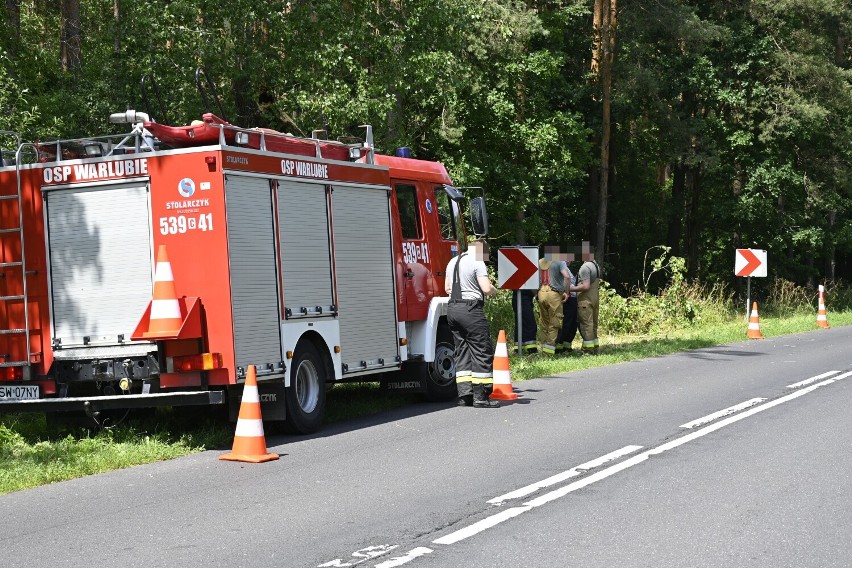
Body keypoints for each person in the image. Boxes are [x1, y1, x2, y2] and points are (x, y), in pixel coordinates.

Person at [444, 239, 499, 408]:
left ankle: (465, 396)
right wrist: (495, 290)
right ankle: (481, 396)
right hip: (471, 310)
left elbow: (447, 288)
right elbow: (486, 289)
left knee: (462, 351)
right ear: (480, 250)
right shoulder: (478, 261)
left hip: (452, 310)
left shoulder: (452, 261)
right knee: (481, 350)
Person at [568, 251, 602, 354]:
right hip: (595, 298)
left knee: (586, 325)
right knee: (593, 325)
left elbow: (585, 286)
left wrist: (570, 289)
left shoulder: (585, 267)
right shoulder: (595, 265)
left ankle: (588, 350)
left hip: (585, 300)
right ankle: (595, 348)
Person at [536, 257, 571, 355]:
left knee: (544, 323)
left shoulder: (539, 262)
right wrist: (567, 293)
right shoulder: (559, 261)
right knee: (554, 323)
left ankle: (543, 348)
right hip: (554, 295)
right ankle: (549, 351)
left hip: (541, 293)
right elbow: (567, 276)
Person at [556, 262, 578, 353]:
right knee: (567, 323)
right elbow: (566, 281)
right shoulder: (562, 266)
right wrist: (581, 287)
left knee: (572, 324)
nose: (571, 261)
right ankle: (559, 346)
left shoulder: (566, 268)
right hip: (568, 299)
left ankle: (566, 346)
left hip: (572, 298)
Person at [512, 289, 538, 354]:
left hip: (518, 296)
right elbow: (533, 288)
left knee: (520, 323)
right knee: (530, 324)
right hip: (524, 297)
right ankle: (531, 349)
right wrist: (537, 294)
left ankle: (520, 348)